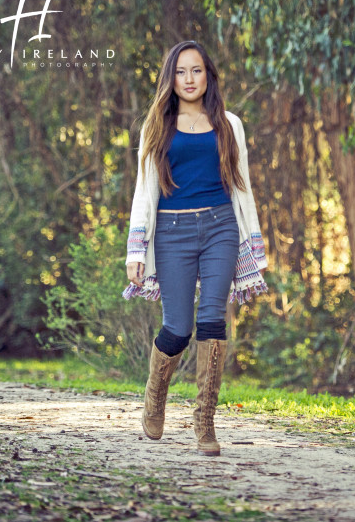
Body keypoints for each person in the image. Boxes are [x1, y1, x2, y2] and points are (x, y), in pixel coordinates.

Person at [122, 40, 267, 456]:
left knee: (212, 319)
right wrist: (136, 250)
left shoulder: (229, 124)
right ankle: (155, 395)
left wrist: (253, 240)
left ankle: (205, 421)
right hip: (172, 233)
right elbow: (143, 191)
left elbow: (243, 186)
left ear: (209, 76)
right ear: (171, 78)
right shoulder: (156, 126)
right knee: (178, 328)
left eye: (197, 71)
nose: (190, 79)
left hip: (222, 227)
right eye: (182, 72)